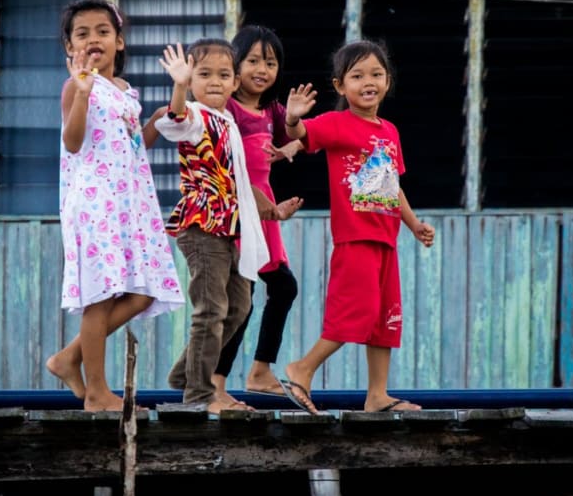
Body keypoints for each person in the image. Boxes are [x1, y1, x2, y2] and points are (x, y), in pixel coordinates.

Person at [281, 39, 435, 415]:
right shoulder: (337, 123)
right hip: (355, 237)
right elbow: (302, 135)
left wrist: (413, 225)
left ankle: (377, 395)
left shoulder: (390, 132)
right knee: (356, 312)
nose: (368, 81)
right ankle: (302, 368)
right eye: (357, 75)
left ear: (387, 81)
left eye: (376, 74)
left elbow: (391, 184)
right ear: (340, 86)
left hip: (387, 239)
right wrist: (292, 120)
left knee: (386, 318)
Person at [46, 0, 184, 412]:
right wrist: (84, 93)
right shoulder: (77, 85)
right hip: (93, 203)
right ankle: (97, 392)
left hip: (127, 205)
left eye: (103, 32)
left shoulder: (124, 91)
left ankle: (69, 358)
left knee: (143, 292)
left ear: (119, 42)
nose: (93, 40)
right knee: (101, 296)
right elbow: (73, 143)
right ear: (69, 47)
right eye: (82, 33)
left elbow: (128, 147)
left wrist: (155, 125)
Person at [154, 39, 270, 414]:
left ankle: (185, 374)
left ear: (236, 82)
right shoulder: (194, 115)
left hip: (231, 228)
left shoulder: (228, 121)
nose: (215, 82)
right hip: (202, 226)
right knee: (211, 309)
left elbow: (236, 177)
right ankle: (200, 395)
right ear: (192, 80)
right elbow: (175, 121)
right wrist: (179, 85)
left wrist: (272, 210)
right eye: (204, 74)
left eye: (224, 75)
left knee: (239, 305)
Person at [211, 26, 304, 408]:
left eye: (271, 62)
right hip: (239, 215)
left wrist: (291, 140)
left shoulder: (271, 112)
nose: (262, 69)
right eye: (252, 61)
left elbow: (309, 137)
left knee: (282, 288)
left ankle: (260, 371)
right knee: (241, 299)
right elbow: (227, 165)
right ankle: (216, 382)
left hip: (264, 219)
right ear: (235, 65)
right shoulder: (228, 108)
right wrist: (264, 205)